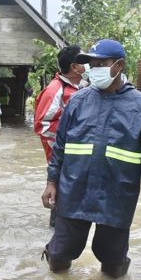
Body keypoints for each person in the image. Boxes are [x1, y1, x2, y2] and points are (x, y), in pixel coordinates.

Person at [41, 39, 141, 279]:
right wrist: (51, 182)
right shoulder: (78, 101)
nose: (94, 68)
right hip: (74, 190)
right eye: (92, 63)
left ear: (119, 66)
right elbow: (61, 147)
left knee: (113, 261)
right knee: (60, 255)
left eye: (101, 63)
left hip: (117, 195)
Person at [33, 45, 88, 226]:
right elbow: (42, 125)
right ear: (74, 67)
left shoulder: (78, 87)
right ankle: (57, 238)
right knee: (62, 196)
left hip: (76, 156)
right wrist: (70, 140)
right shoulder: (55, 90)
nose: (88, 64)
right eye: (84, 61)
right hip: (63, 157)